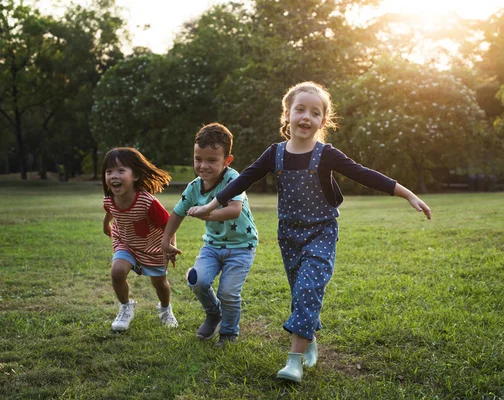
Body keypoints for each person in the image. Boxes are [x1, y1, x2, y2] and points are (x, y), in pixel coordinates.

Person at [189, 82, 432, 382]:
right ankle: (310, 339)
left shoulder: (325, 154)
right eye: (300, 109)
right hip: (289, 235)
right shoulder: (274, 154)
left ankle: (294, 361)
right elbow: (242, 181)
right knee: (301, 292)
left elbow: (363, 173)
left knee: (307, 288)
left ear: (323, 121)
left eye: (315, 112)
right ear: (287, 114)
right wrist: (209, 205)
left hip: (322, 232)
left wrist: (407, 193)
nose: (306, 117)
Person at [161, 123, 258, 347]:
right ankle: (214, 314)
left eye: (212, 160)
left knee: (228, 293)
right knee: (197, 281)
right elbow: (177, 213)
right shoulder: (195, 187)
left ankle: (228, 333)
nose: (203, 166)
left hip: (241, 247)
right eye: (198, 159)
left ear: (227, 160)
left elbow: (234, 210)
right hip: (212, 247)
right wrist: (166, 241)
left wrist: (207, 214)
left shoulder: (234, 179)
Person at [102, 147, 179, 332]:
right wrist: (106, 225)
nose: (114, 176)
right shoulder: (110, 199)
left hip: (152, 247)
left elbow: (168, 225)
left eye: (121, 170)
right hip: (125, 242)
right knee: (117, 272)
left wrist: (170, 246)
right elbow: (110, 211)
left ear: (135, 175)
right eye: (109, 171)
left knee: (159, 283)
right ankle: (126, 307)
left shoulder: (147, 202)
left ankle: (165, 309)